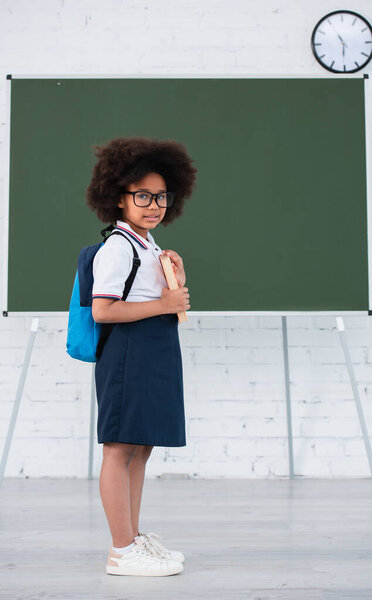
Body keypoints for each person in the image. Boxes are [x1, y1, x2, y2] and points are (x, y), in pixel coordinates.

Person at [86, 136, 197, 576]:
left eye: (162, 196)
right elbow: (103, 309)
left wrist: (177, 281)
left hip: (153, 350)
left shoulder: (146, 244)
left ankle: (133, 539)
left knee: (140, 448)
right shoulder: (118, 246)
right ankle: (120, 551)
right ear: (119, 197)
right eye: (143, 196)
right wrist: (165, 304)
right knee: (118, 449)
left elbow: (165, 302)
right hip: (129, 353)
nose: (154, 205)